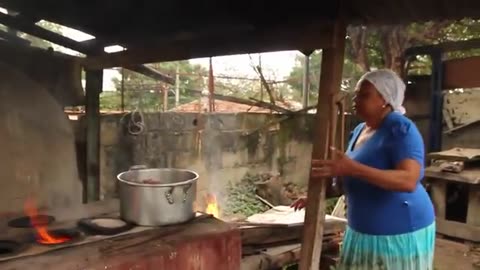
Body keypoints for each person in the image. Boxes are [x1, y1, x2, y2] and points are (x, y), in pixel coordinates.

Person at [291, 69, 435, 270]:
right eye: (356, 94)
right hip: (361, 230)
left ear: (384, 99)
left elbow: (408, 181)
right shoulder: (361, 129)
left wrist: (352, 168)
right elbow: (352, 178)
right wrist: (318, 195)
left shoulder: (400, 129)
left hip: (397, 234)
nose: (355, 99)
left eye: (364, 95)